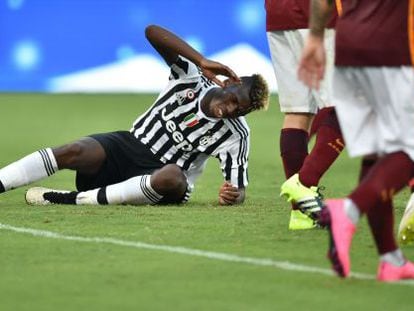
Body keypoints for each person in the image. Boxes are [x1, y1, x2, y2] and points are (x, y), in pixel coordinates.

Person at [0, 24, 269, 207]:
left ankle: (71, 200)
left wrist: (233, 195)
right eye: (235, 101)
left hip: (158, 181)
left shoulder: (237, 134)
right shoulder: (191, 78)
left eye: (241, 110)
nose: (231, 110)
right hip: (127, 146)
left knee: (174, 177)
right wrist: (201, 60)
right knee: (75, 150)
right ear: (230, 82)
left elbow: (238, 188)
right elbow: (152, 31)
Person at [298, 0, 414, 282]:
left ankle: (390, 259)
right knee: (407, 153)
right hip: (394, 50)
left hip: (349, 48)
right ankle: (348, 210)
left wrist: (314, 37)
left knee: (375, 155)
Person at [265, 0, 344, 230]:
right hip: (317, 11)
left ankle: (301, 214)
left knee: (297, 111)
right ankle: (303, 184)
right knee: (345, 107)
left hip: (277, 12)